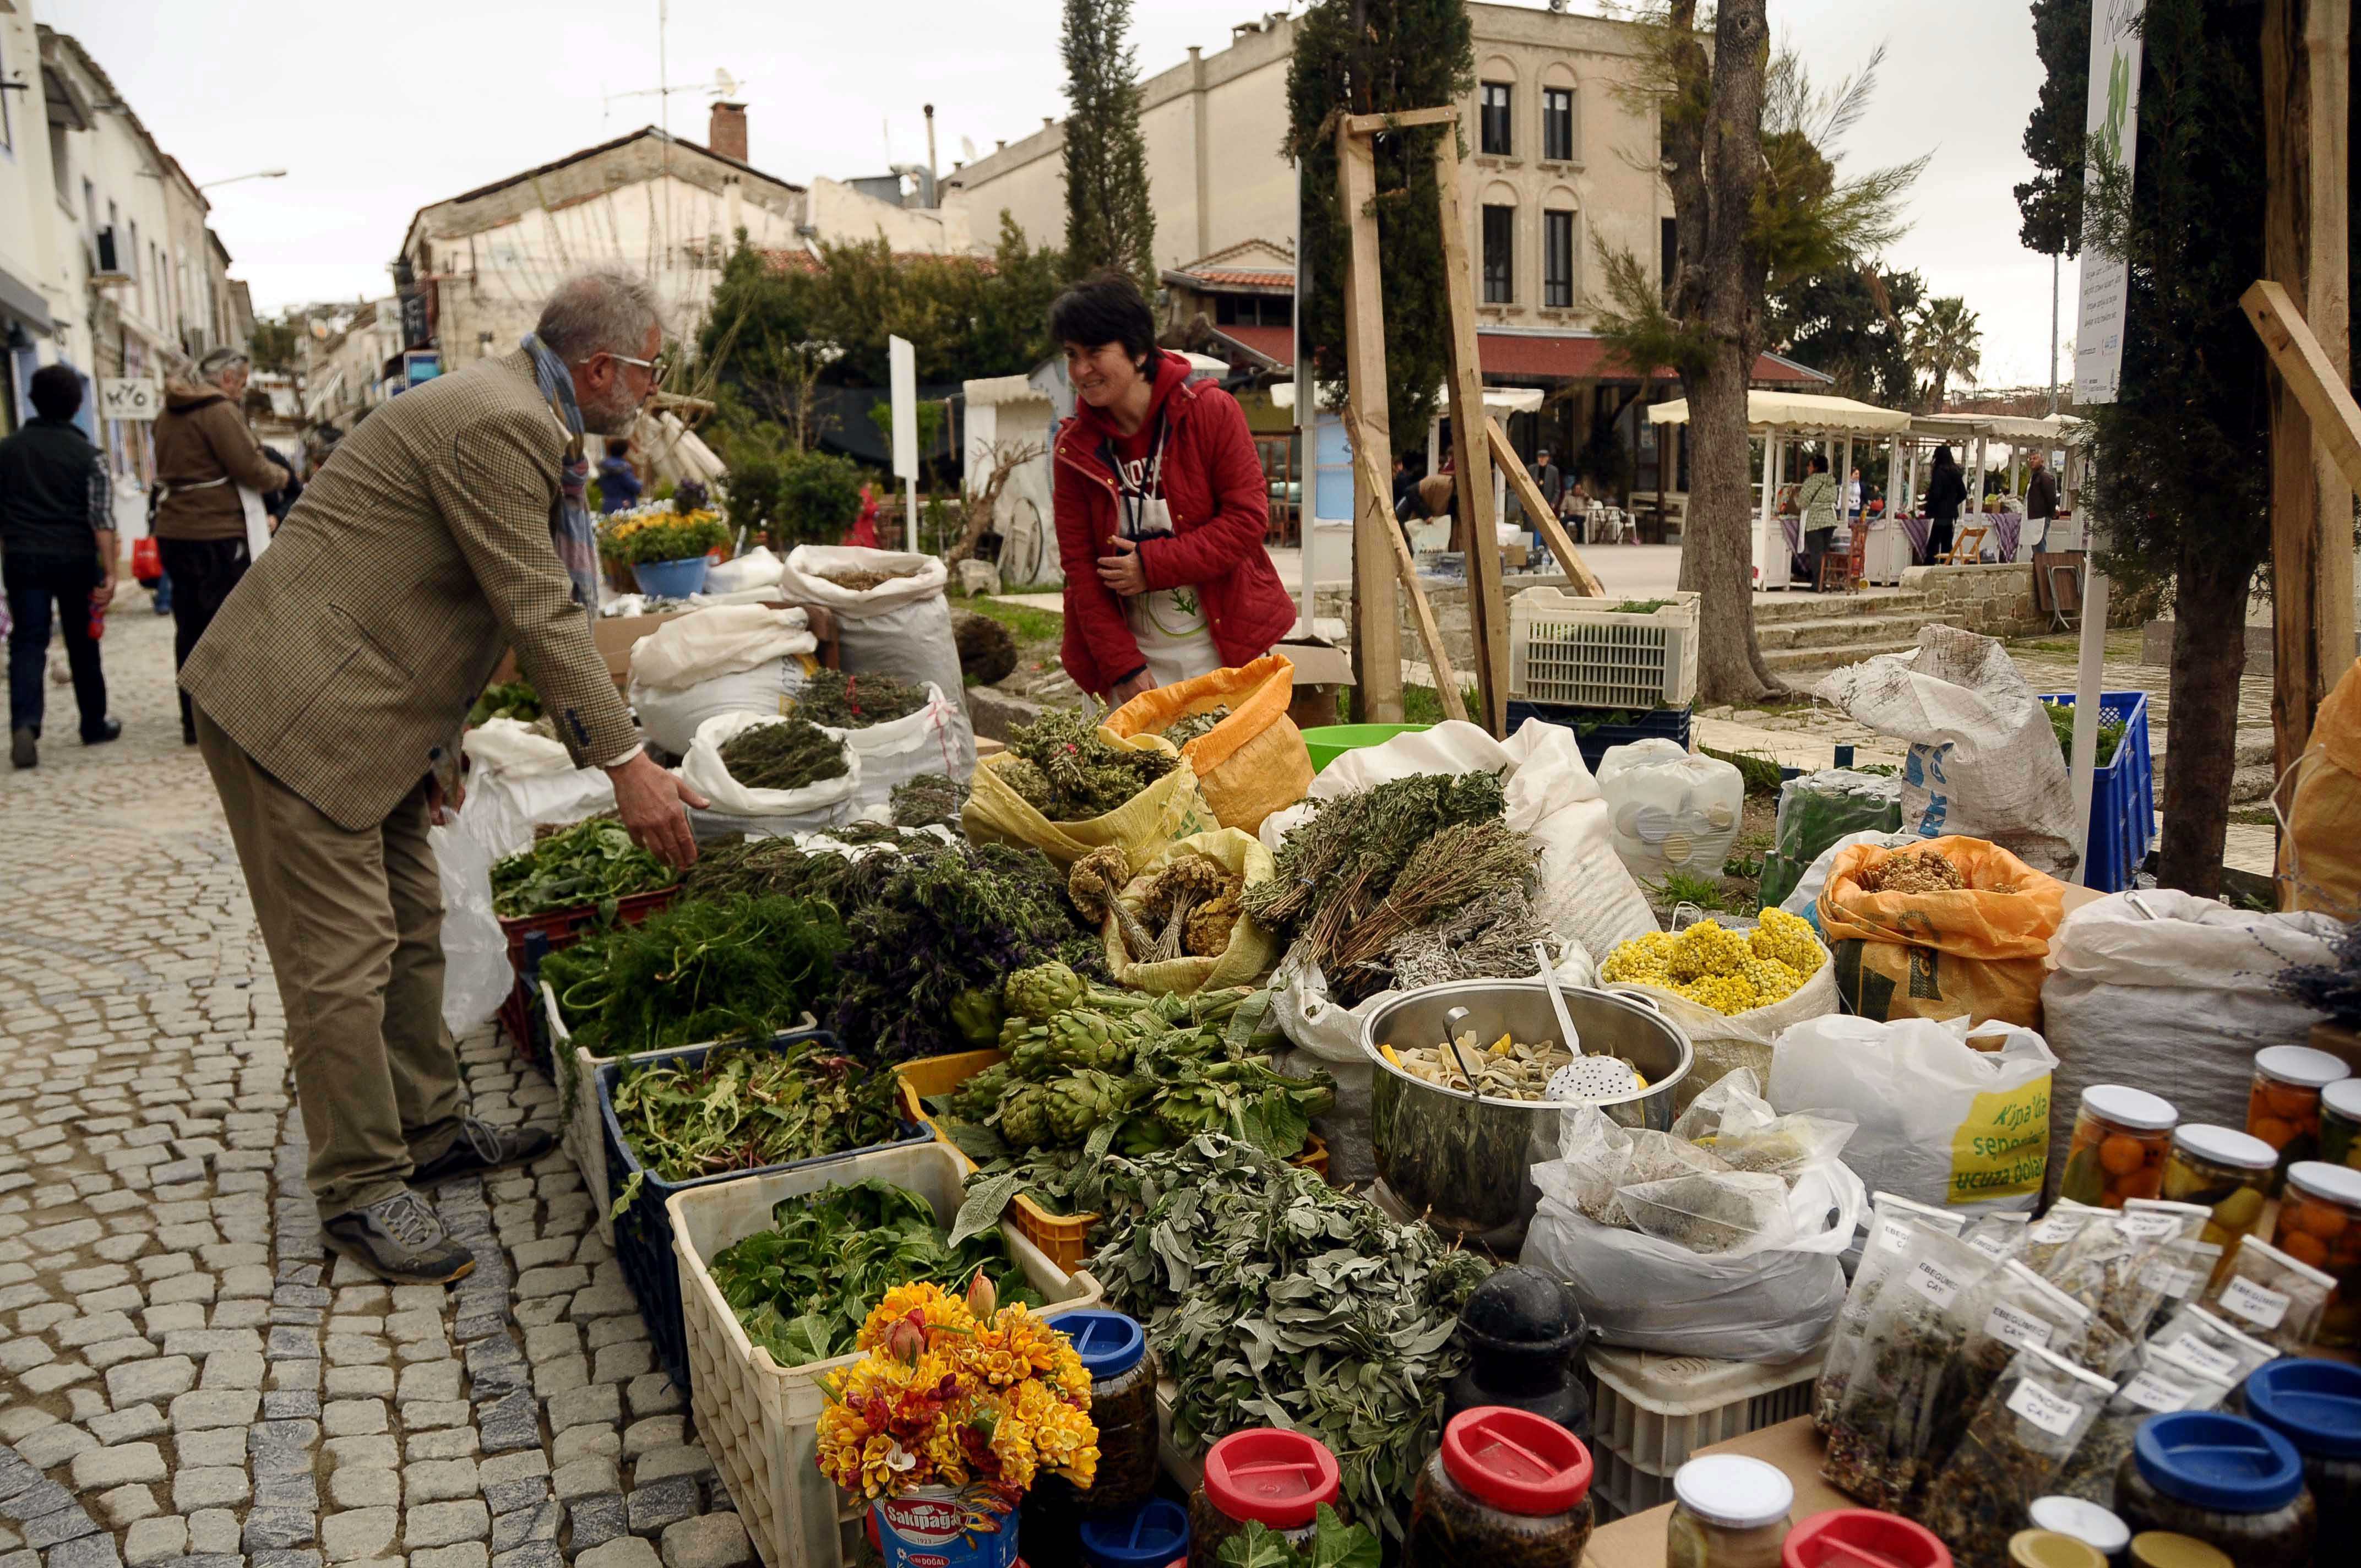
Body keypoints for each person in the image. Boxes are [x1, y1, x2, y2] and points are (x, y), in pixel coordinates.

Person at [181, 267, 708, 1286]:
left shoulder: (516, 409)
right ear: (600, 364)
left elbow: (428, 590)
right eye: (647, 370)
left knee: (413, 922)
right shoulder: (501, 422)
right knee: (342, 955)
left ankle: (425, 1126)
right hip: (293, 710)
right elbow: (535, 608)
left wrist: (439, 740)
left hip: (366, 708)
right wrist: (627, 764)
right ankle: (361, 1182)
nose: (650, 390)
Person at [1049, 272, 1296, 702]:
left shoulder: (1211, 413)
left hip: (1223, 652)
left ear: (1139, 351)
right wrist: (1122, 666)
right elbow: (1081, 572)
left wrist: (1152, 565)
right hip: (1131, 664)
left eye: (1094, 352)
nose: (1080, 370)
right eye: (1072, 355)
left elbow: (1246, 521)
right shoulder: (1074, 450)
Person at [153, 346, 292, 745]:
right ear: (228, 378)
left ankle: (192, 720)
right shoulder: (218, 412)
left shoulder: (167, 414)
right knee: (227, 625)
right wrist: (281, 477)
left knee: (189, 626)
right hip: (215, 532)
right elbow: (249, 466)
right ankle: (226, 718)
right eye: (243, 383)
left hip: (174, 530)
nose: (242, 391)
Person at [0, 364, 119, 767]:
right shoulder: (90, 456)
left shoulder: (6, 452)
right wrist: (111, 571)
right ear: (77, 404)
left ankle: (26, 724)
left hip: (23, 559)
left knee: (28, 642)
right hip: (75, 558)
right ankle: (93, 722)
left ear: (32, 400)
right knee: (82, 642)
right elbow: (101, 517)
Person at [1796, 452, 1840, 588]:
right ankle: (1824, 582)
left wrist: (1796, 498)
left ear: (1815, 468)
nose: (1808, 469)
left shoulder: (1811, 482)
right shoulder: (1831, 481)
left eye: (1809, 466)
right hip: (1830, 520)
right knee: (1824, 553)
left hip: (1815, 521)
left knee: (1816, 554)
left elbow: (1803, 503)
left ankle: (1817, 583)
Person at [1923, 444, 1968, 562]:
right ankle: (1946, 568)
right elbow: (1963, 493)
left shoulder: (1939, 472)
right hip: (1951, 514)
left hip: (1940, 513)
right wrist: (1953, 503)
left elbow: (1936, 494)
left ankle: (1929, 568)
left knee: (1933, 544)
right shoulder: (1956, 473)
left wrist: (1930, 505)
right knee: (1947, 544)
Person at [596, 440, 643, 514]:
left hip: (608, 504)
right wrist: (640, 483)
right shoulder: (623, 468)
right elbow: (634, 487)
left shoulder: (604, 466)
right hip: (624, 505)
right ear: (625, 452)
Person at [2026, 450, 2059, 551]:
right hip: (2034, 515)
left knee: (2040, 541)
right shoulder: (2034, 477)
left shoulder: (2045, 477)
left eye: (2035, 459)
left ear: (2042, 461)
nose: (2032, 461)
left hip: (2042, 516)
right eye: (2030, 459)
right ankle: (2037, 561)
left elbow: (2051, 497)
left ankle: (2042, 563)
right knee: (2035, 542)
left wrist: (2051, 512)